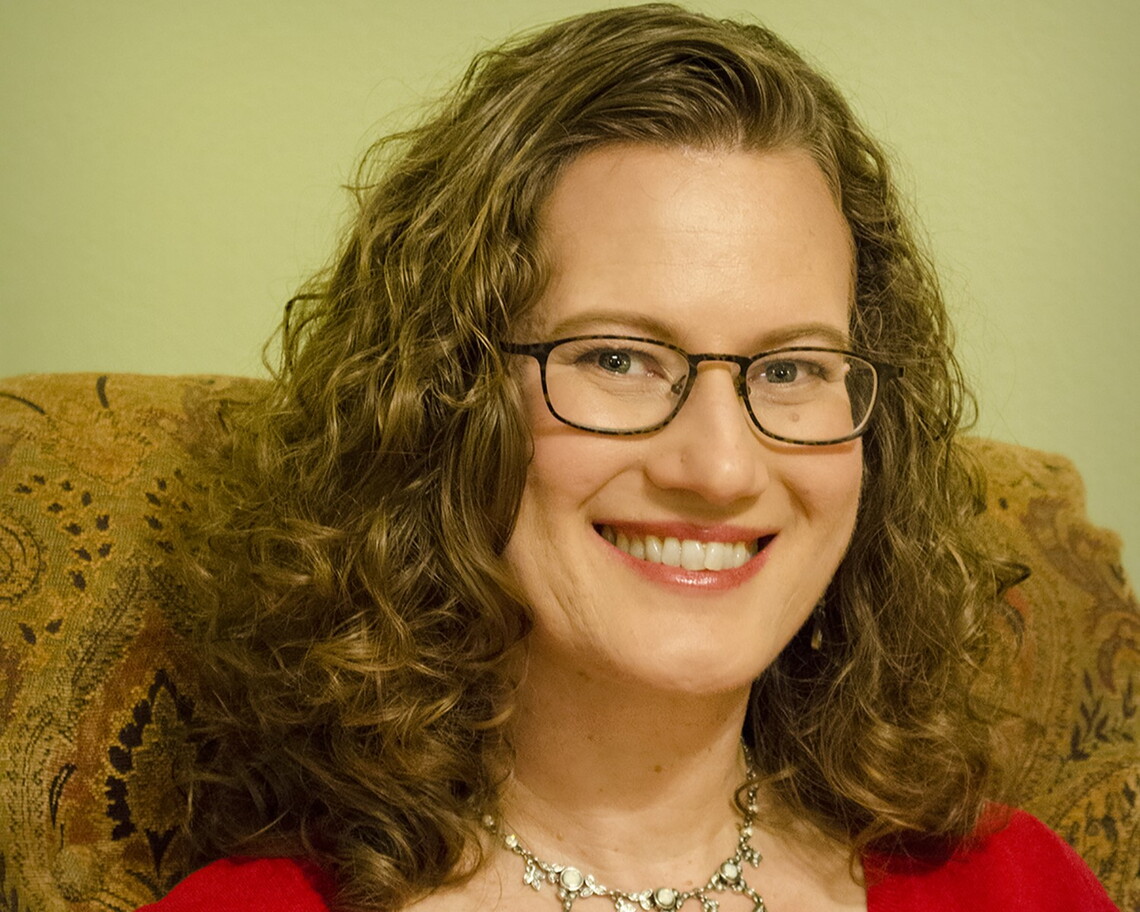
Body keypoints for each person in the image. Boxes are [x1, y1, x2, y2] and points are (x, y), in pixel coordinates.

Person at [141, 4, 1119, 910]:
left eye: (790, 369)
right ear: (448, 399)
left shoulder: (1017, 884)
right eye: (619, 358)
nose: (721, 469)